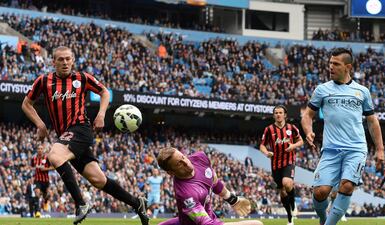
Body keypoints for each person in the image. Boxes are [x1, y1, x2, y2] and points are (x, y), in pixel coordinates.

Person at [21, 46, 148, 225]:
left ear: (73, 60)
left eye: (68, 59)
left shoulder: (82, 78)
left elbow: (104, 92)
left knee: (55, 156)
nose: (65, 62)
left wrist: (101, 114)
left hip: (80, 128)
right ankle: (137, 203)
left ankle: (80, 204)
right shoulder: (43, 81)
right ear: (53, 62)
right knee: (98, 179)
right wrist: (40, 124)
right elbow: (26, 104)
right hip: (65, 135)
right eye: (61, 59)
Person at [301, 48, 384, 225]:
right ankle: (323, 218)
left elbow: (372, 121)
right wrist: (308, 131)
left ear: (348, 67)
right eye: (330, 63)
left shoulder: (362, 91)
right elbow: (307, 115)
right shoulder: (322, 90)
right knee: (320, 192)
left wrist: (380, 150)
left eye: (336, 64)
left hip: (356, 148)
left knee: (347, 185)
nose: (331, 67)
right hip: (330, 149)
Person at [156, 147, 263, 225]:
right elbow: (206, 223)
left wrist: (233, 200)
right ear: (170, 172)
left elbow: (214, 181)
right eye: (179, 163)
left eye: (183, 157)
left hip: (192, 219)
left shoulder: (200, 158)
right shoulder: (186, 194)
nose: (186, 163)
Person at [260, 105, 303, 225]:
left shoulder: (292, 128)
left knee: (287, 183)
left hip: (289, 161)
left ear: (285, 115)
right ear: (274, 115)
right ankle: (290, 217)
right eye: (276, 113)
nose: (278, 114)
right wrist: (266, 152)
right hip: (275, 165)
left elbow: (300, 141)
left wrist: (293, 146)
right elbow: (262, 145)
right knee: (283, 192)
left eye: (280, 112)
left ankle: (293, 202)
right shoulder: (269, 129)